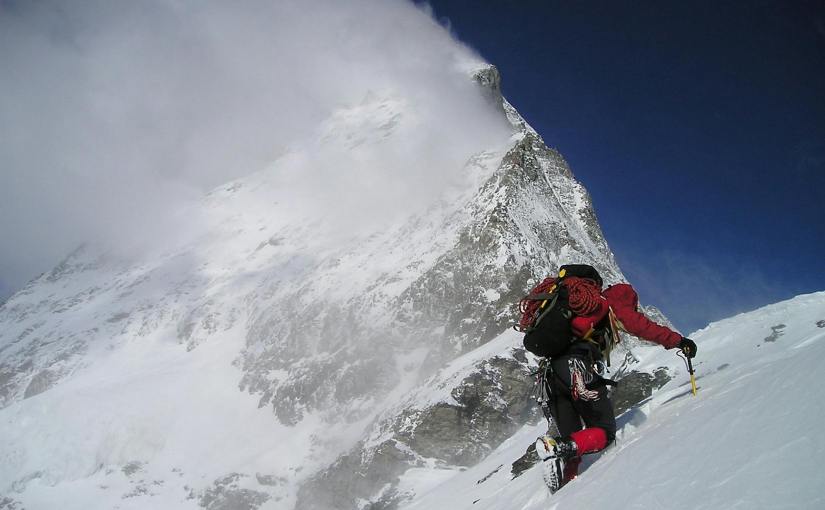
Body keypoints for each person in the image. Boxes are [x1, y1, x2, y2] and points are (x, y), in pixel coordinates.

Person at [534, 281, 697, 492]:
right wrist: (679, 341)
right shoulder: (613, 304)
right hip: (576, 368)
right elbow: (643, 327)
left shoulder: (578, 313)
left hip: (549, 377)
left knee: (573, 437)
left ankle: (564, 486)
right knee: (604, 430)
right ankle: (557, 449)